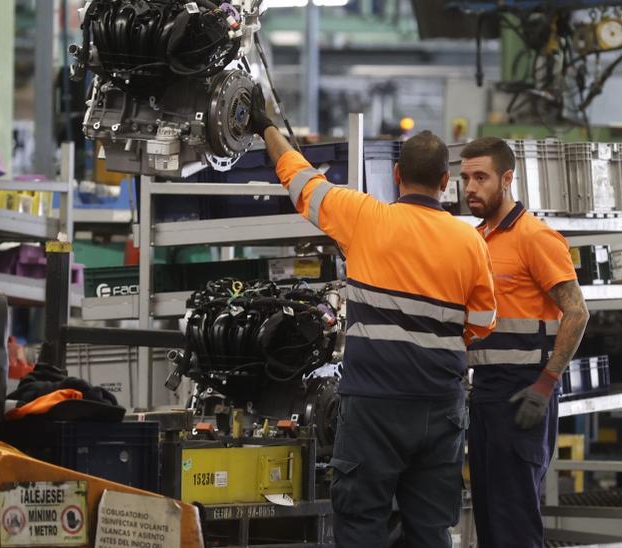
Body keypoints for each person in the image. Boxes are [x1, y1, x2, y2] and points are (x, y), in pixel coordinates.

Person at [247, 100, 497, 548]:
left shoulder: (363, 216)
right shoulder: (470, 241)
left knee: (361, 526)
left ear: (397, 177)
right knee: (431, 530)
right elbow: (482, 323)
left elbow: (301, 180)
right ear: (445, 182)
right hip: (440, 406)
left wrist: (266, 127)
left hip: (373, 406)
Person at [459, 137, 590, 548]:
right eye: (465, 178)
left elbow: (577, 311)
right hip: (486, 392)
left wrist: (546, 384)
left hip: (523, 394)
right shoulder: (479, 238)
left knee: (513, 522)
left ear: (507, 179)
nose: (470, 188)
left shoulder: (535, 237)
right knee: (490, 520)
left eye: (481, 177)